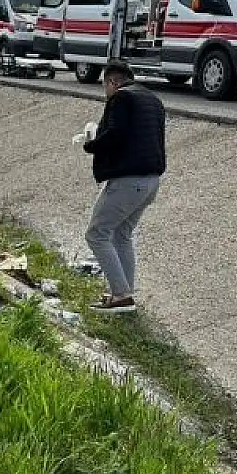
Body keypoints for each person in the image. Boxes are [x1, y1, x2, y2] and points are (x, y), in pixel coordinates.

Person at [82, 60, 166, 314]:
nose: (106, 93)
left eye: (105, 86)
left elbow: (116, 134)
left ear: (112, 81)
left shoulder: (121, 97)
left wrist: (91, 145)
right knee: (121, 235)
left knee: (96, 234)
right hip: (151, 180)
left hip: (129, 181)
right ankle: (125, 293)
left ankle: (120, 295)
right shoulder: (152, 99)